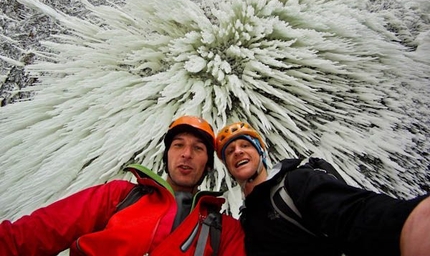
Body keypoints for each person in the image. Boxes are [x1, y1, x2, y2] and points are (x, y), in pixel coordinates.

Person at [0, 116, 246, 256]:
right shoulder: (119, 195)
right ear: (167, 155)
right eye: (178, 145)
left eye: (198, 148)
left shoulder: (225, 230)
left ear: (208, 165)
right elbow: (43, 229)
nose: (186, 154)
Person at [215, 121, 430, 256]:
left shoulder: (296, 184)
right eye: (230, 151)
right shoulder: (245, 219)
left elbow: (352, 213)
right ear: (228, 167)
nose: (238, 152)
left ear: (261, 152)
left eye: (245, 145)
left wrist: (408, 224)